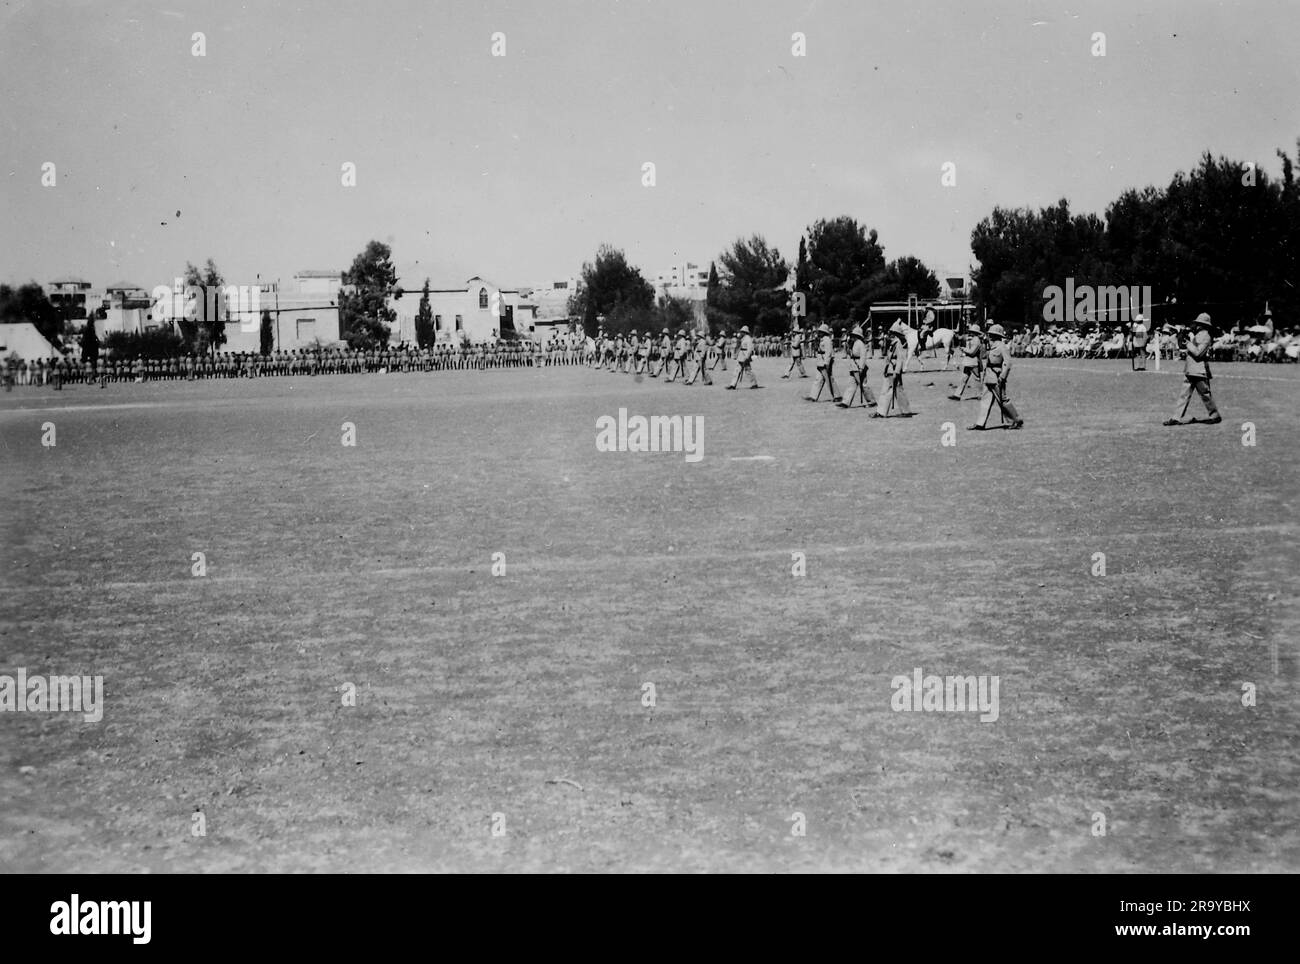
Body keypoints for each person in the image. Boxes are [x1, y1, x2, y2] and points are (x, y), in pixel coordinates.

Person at [1163, 313, 1222, 425]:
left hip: (1199, 370)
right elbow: (1185, 347)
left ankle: (1215, 415)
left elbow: (1198, 353)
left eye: (1197, 324)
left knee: (1205, 394)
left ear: (1201, 325)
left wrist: (1188, 343)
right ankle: (1176, 418)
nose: (1195, 325)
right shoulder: (1198, 335)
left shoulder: (1206, 337)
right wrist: (1182, 339)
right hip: (1191, 369)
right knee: (1185, 395)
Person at [969, 324, 1024, 430]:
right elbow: (984, 356)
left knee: (1003, 400)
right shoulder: (992, 345)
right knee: (985, 400)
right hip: (988, 376)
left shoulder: (1002, 347)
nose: (989, 336)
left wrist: (1003, 376)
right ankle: (980, 423)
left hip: (996, 377)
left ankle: (1016, 420)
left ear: (995, 335)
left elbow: (1007, 363)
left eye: (991, 334)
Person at [872, 322, 913, 418]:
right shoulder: (893, 342)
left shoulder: (898, 343)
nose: (889, 333)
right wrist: (886, 368)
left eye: (891, 332)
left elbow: (900, 359)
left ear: (895, 333)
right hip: (890, 369)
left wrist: (897, 372)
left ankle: (904, 411)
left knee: (895, 390)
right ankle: (883, 412)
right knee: (892, 390)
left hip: (894, 370)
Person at [837, 324, 876, 408]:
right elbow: (850, 354)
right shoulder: (853, 343)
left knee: (863, 385)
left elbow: (863, 356)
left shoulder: (860, 344)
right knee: (851, 384)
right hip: (853, 366)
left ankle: (872, 401)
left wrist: (861, 367)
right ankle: (846, 402)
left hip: (858, 366)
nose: (852, 336)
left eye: (854, 335)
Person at [805, 323, 840, 402]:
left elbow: (828, 352)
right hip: (820, 361)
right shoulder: (822, 339)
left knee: (829, 379)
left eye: (820, 331)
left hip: (825, 362)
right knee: (818, 379)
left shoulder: (827, 340)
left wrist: (826, 363)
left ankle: (837, 396)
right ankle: (813, 396)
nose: (819, 333)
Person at [950, 322, 985, 400]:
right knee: (964, 379)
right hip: (969, 362)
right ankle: (957, 395)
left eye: (972, 331)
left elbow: (972, 352)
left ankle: (981, 394)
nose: (970, 332)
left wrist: (963, 349)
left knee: (977, 379)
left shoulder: (976, 340)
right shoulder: (973, 339)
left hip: (973, 363)